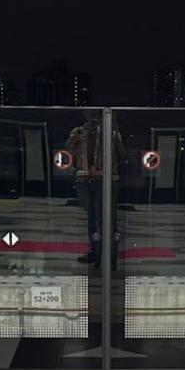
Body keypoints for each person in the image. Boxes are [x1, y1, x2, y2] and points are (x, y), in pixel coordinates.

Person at [65, 110, 125, 269]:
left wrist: (113, 133)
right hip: (85, 179)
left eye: (95, 116)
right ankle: (95, 253)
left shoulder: (111, 133)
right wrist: (77, 137)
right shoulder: (79, 131)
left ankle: (110, 258)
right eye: (90, 116)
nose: (93, 119)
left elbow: (122, 154)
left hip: (106, 180)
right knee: (91, 218)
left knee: (108, 219)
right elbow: (68, 148)